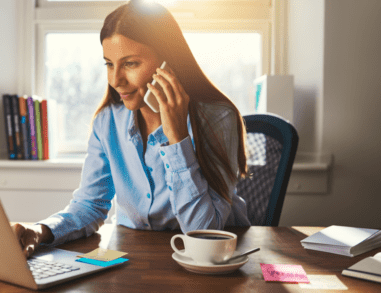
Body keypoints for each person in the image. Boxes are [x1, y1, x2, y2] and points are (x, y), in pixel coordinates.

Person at [13, 0, 251, 258]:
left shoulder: (216, 119)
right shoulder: (108, 122)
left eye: (130, 64)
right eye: (109, 64)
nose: (116, 80)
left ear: (168, 63)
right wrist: (40, 230)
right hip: (134, 258)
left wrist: (177, 137)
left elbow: (203, 232)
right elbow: (90, 205)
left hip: (213, 263)